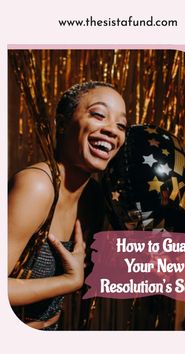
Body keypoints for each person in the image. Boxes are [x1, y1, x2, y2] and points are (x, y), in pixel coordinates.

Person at [8, 81, 127, 330]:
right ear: (62, 124)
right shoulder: (37, 186)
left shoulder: (94, 198)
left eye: (121, 125)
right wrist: (69, 281)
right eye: (98, 115)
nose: (112, 131)